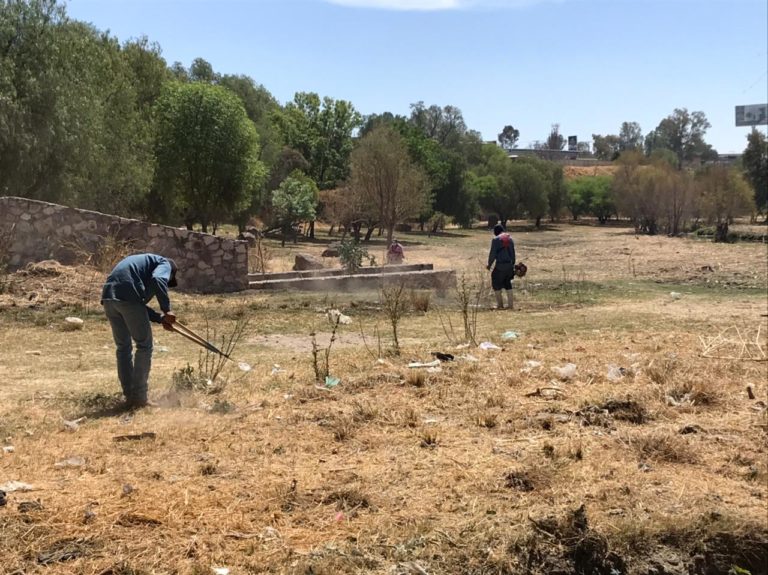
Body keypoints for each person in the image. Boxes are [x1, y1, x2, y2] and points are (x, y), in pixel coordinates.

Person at [101, 254, 178, 408]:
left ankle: (130, 395)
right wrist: (166, 309)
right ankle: (139, 397)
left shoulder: (141, 268)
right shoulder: (165, 264)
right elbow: (158, 280)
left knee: (123, 348)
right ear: (170, 273)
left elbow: (138, 306)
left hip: (109, 297)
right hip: (127, 298)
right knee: (144, 346)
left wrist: (160, 319)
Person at [487, 224, 516, 310]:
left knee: (495, 280)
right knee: (507, 282)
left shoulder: (495, 240)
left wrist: (489, 265)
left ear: (495, 232)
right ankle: (510, 305)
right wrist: (512, 266)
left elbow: (492, 254)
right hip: (509, 265)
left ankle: (500, 304)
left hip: (500, 266)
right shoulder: (510, 239)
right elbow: (513, 254)